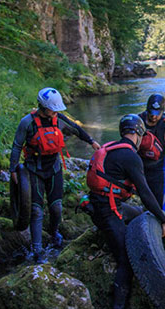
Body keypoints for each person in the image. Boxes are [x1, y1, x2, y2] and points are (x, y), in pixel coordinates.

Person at [87, 113, 165, 309]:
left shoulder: (112, 147)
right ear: (140, 133)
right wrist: (163, 219)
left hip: (101, 204)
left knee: (141, 216)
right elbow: (144, 192)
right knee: (127, 257)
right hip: (107, 210)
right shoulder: (131, 156)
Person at [10, 87, 101, 261]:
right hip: (34, 170)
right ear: (43, 107)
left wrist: (92, 141)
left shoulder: (59, 119)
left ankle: (54, 233)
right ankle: (37, 250)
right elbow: (16, 146)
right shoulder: (27, 123)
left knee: (56, 207)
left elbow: (75, 129)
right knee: (36, 211)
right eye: (53, 109)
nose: (55, 112)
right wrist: (13, 169)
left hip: (54, 169)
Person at [138, 93, 165, 207]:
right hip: (138, 167)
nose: (154, 117)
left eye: (157, 114)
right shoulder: (138, 121)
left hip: (157, 169)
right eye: (151, 113)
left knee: (157, 205)